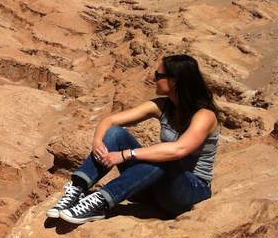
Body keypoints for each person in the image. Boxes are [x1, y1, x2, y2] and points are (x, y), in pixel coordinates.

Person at [47, 54, 220, 225]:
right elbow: (110, 121)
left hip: (188, 192)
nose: (153, 79)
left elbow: (178, 150)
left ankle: (101, 202)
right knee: (115, 133)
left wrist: (125, 155)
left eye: (158, 76)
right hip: (154, 189)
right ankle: (77, 189)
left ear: (174, 81)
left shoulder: (205, 116)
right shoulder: (163, 106)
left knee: (162, 156)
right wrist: (97, 141)